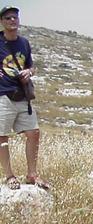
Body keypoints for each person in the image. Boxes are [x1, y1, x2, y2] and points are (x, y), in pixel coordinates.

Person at [0, 6, 48, 190]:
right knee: (2, 137)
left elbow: (31, 65)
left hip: (22, 96)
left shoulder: (24, 43)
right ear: (2, 22)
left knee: (33, 133)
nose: (13, 20)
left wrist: (30, 71)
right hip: (3, 95)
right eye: (8, 18)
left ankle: (32, 174)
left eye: (15, 17)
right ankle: (9, 175)